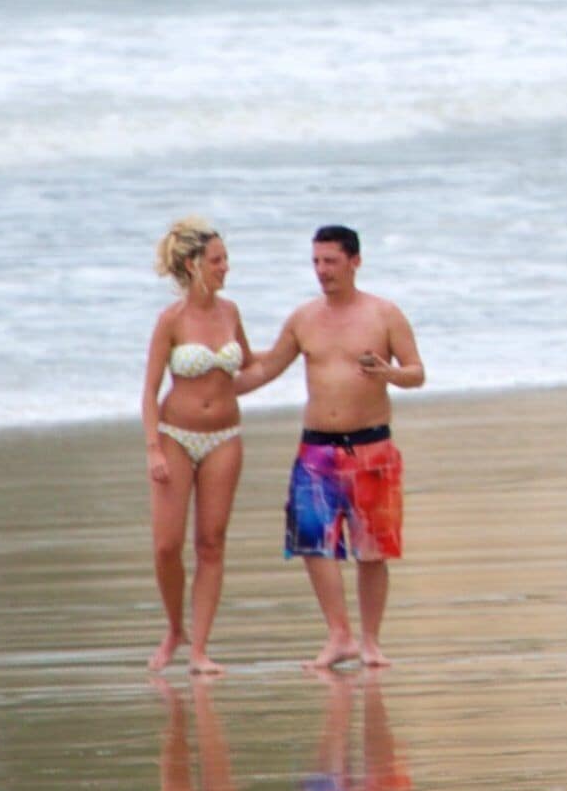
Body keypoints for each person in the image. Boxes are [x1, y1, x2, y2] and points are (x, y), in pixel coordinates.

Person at [234, 226, 425, 673]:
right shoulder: (303, 318)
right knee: (313, 544)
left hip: (371, 446)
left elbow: (417, 372)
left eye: (331, 262)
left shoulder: (384, 314)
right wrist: (210, 390)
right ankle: (339, 635)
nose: (322, 271)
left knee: (373, 551)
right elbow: (264, 369)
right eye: (316, 262)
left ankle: (371, 642)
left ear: (355, 261)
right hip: (316, 448)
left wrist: (387, 374)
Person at [142, 219, 257, 677]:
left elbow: (248, 366)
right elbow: (149, 391)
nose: (226, 267)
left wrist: (305, 351)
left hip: (224, 437)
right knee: (168, 545)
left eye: (225, 259)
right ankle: (175, 628)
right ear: (193, 265)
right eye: (217, 260)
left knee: (211, 542)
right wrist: (153, 447)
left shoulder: (230, 312)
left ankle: (200, 649)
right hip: (175, 435)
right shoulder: (171, 321)